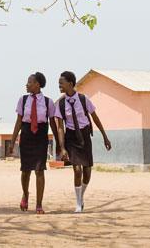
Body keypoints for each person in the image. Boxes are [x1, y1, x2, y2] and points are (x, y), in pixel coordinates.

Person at [52, 70, 111, 213]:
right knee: (77, 170)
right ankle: (78, 203)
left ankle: (81, 195)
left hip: (85, 136)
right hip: (71, 138)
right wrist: (62, 147)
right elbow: (60, 127)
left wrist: (104, 136)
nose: (59, 85)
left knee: (87, 171)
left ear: (70, 83)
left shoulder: (84, 99)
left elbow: (95, 118)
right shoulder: (60, 104)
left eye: (62, 82)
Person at [10, 72, 57, 214]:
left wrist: (60, 143)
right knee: (25, 170)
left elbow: (53, 123)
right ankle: (25, 194)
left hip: (41, 137)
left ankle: (39, 204)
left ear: (37, 84)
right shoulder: (23, 100)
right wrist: (12, 142)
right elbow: (19, 121)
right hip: (26, 135)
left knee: (39, 170)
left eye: (29, 82)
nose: (27, 84)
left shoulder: (48, 102)